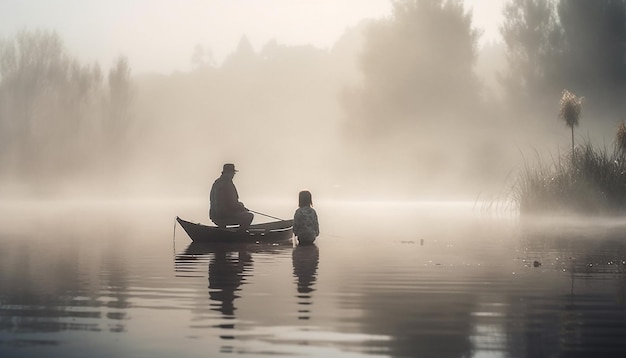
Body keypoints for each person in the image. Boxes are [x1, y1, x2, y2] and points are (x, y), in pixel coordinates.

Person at [209, 163, 253, 231]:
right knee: (249, 216)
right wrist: (242, 207)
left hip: (214, 216)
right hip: (224, 216)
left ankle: (223, 231)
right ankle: (239, 234)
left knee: (237, 211)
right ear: (228, 173)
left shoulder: (216, 183)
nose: (233, 175)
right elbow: (232, 203)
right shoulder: (227, 184)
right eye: (233, 173)